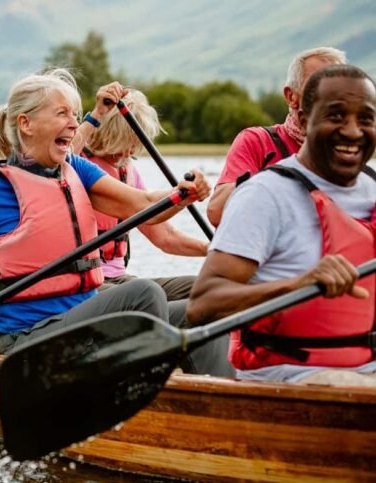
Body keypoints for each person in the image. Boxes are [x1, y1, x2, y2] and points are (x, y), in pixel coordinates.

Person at [0, 69, 230, 377]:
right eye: (62, 114)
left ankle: (219, 400)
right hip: (22, 338)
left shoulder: (76, 169)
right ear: (26, 123)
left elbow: (144, 205)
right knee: (143, 293)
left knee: (206, 308)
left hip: (81, 321)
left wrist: (181, 195)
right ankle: (135, 394)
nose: (75, 124)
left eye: (76, 115)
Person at [187, 64, 376, 387]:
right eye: (336, 116)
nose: (353, 131)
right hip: (288, 376)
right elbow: (201, 305)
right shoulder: (264, 195)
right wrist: (296, 285)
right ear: (303, 120)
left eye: (366, 119)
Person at [79, 89, 208, 301]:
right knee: (146, 294)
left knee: (205, 288)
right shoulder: (77, 165)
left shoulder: (129, 171)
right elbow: (59, 161)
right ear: (106, 132)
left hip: (119, 280)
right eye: (124, 142)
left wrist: (211, 249)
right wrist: (97, 114)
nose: (129, 152)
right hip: (88, 284)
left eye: (134, 144)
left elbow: (165, 237)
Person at [207, 47, 347, 227]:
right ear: (291, 96)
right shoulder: (256, 141)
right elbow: (216, 212)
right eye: (318, 84)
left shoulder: (352, 150)